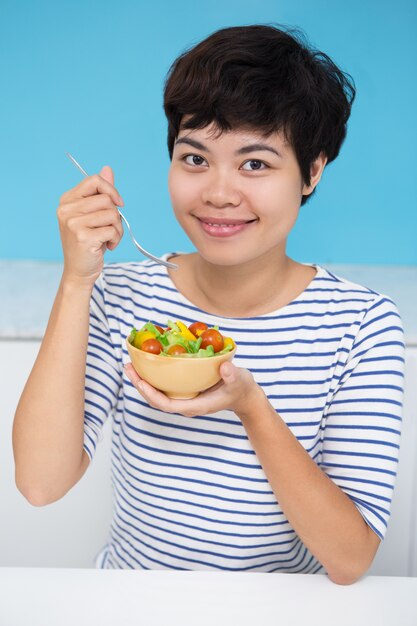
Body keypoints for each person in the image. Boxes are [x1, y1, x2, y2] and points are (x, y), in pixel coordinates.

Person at [13, 24, 404, 584]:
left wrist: (251, 407)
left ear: (312, 172)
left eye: (255, 164)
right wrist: (78, 282)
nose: (218, 193)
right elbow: (40, 483)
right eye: (195, 159)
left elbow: (350, 559)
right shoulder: (122, 297)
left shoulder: (361, 325)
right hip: (125, 602)